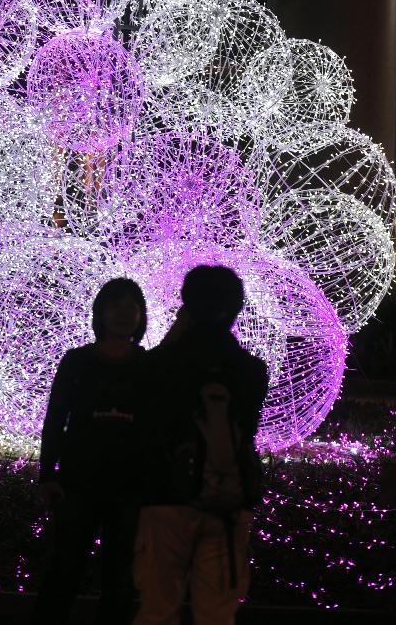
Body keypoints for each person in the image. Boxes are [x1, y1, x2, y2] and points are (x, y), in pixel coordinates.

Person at [134, 265, 269, 625]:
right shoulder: (252, 370)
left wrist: (177, 332)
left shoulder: (163, 364)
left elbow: (144, 399)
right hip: (229, 501)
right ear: (237, 308)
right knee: (218, 613)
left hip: (166, 497)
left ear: (187, 305)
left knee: (158, 609)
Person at [31, 277, 148, 625]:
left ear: (142, 315)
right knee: (63, 570)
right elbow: (55, 420)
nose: (124, 313)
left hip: (128, 487)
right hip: (78, 482)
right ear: (100, 312)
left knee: (119, 579)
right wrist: (47, 475)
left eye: (132, 306)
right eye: (116, 305)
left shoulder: (149, 366)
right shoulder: (77, 361)